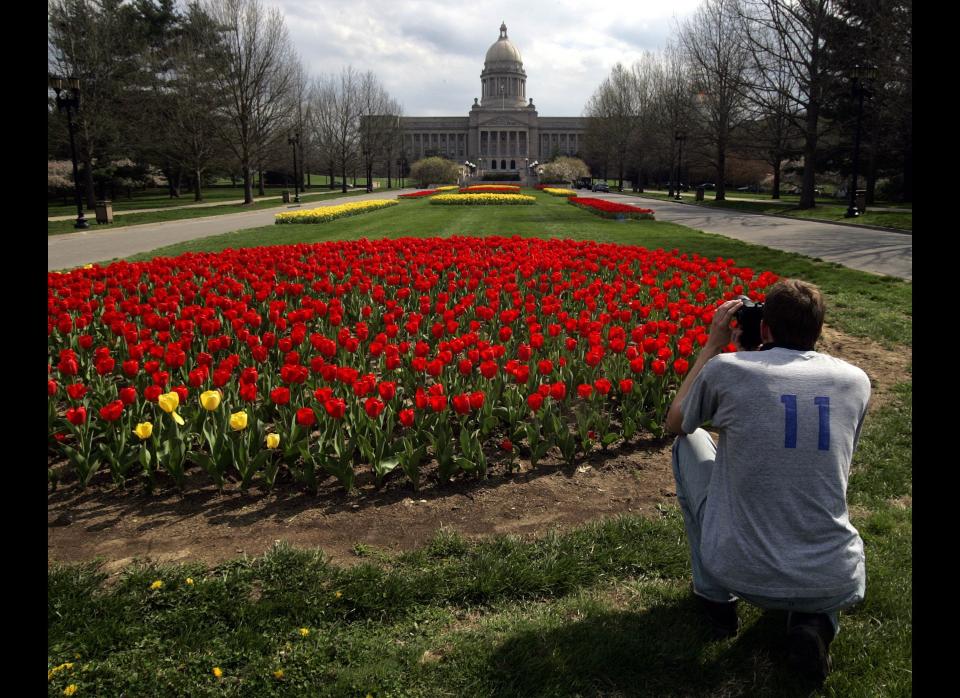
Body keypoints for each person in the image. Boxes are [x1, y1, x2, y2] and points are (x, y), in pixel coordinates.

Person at [664, 279, 870, 684]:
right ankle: (814, 626)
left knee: (689, 442)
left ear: (764, 329)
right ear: (819, 330)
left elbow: (676, 421)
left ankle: (715, 598)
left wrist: (712, 346)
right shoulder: (856, 381)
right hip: (834, 574)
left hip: (738, 569)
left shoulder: (727, 370)